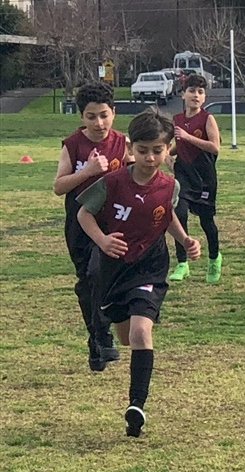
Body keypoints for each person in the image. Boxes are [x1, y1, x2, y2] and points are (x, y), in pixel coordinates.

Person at [76, 109, 201, 437]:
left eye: (157, 150)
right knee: (124, 333)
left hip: (150, 265)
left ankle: (136, 405)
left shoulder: (169, 185)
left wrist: (185, 239)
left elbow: (167, 215)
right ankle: (130, 360)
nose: (150, 157)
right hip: (114, 269)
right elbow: (83, 215)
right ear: (131, 148)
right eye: (143, 150)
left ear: (168, 148)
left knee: (141, 332)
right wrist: (102, 240)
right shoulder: (113, 183)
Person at [53, 81, 130, 372]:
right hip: (78, 221)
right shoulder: (73, 144)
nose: (99, 122)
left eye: (103, 114)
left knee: (101, 274)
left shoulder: (122, 142)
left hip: (110, 222)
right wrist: (86, 172)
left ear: (113, 112)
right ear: (81, 117)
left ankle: (102, 335)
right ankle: (96, 338)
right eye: (91, 116)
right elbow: (59, 186)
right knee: (87, 281)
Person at [167, 75, 222, 284]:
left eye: (200, 92)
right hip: (183, 176)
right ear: (183, 94)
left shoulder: (207, 118)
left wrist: (188, 137)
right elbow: (178, 145)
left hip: (204, 178)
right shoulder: (177, 119)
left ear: (204, 97)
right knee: (178, 214)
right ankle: (182, 263)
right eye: (192, 91)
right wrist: (167, 155)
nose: (196, 96)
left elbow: (215, 147)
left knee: (206, 222)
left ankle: (214, 258)